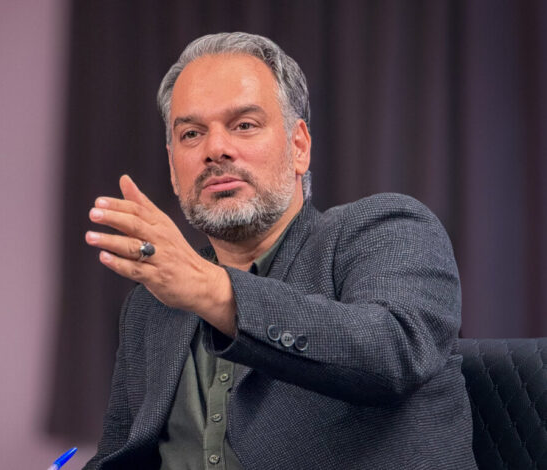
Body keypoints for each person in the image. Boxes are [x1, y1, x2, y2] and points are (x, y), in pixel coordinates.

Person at [83, 32, 476, 469]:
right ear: (174, 170)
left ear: (299, 146)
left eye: (244, 125)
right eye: (191, 134)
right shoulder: (151, 305)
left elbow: (393, 352)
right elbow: (119, 456)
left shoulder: (386, 230)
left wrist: (212, 291)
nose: (215, 149)